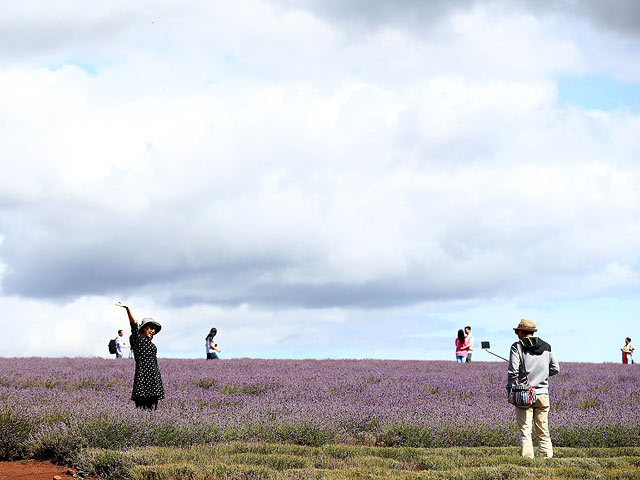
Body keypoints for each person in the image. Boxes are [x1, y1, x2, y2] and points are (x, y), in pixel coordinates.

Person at [507, 318, 559, 459]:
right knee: (543, 430)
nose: (517, 333)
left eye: (518, 331)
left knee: (525, 430)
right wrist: (541, 375)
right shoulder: (547, 346)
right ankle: (547, 458)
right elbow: (555, 368)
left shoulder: (517, 347)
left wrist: (510, 388)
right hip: (543, 394)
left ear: (523, 332)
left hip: (524, 394)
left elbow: (513, 372)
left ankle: (527, 459)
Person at [116, 301, 165, 410]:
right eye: (150, 328)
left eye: (154, 329)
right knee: (142, 406)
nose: (153, 331)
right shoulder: (138, 339)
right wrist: (127, 308)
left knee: (153, 407)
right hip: (143, 375)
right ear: (143, 328)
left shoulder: (150, 343)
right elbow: (133, 324)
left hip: (154, 375)